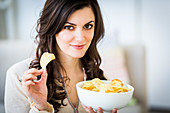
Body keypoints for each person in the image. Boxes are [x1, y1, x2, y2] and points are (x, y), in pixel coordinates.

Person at [5, 0, 117, 113]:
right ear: (52, 27)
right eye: (69, 27)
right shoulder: (19, 76)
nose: (80, 38)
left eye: (88, 26)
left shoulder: (101, 80)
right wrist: (41, 107)